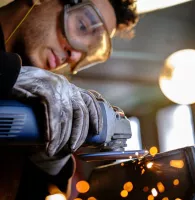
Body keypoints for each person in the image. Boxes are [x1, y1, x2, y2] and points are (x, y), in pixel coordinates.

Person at [0, 0, 138, 199]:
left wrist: (50, 164)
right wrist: (11, 73)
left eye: (88, 51)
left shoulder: (37, 108)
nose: (74, 55)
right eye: (82, 26)